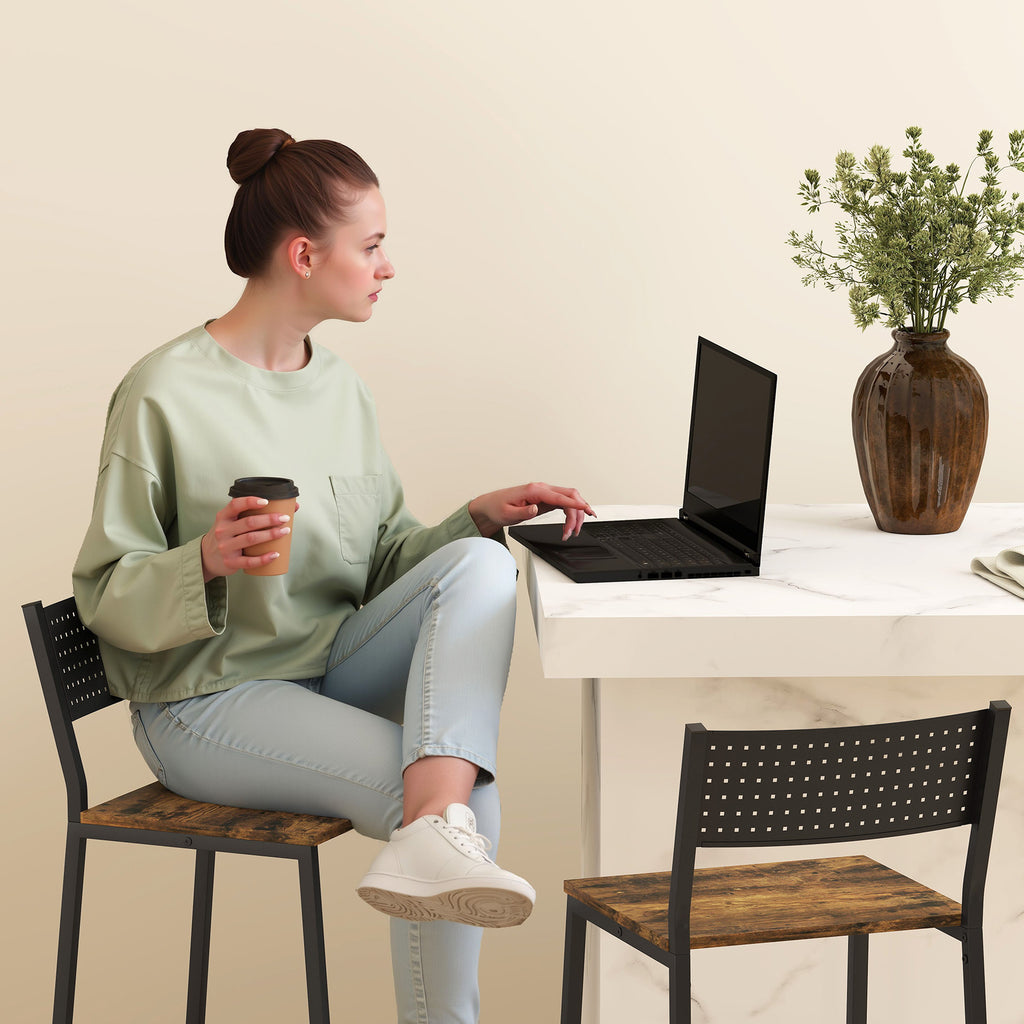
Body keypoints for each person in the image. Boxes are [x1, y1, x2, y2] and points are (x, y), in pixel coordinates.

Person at [72, 127, 595, 1024]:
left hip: (328, 666)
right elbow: (103, 592)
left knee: (480, 564)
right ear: (305, 255)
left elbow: (384, 561)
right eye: (373, 245)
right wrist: (204, 559)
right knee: (461, 796)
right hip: (206, 700)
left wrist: (476, 518)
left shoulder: (341, 389)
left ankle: (430, 845)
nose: (388, 267)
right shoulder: (162, 391)